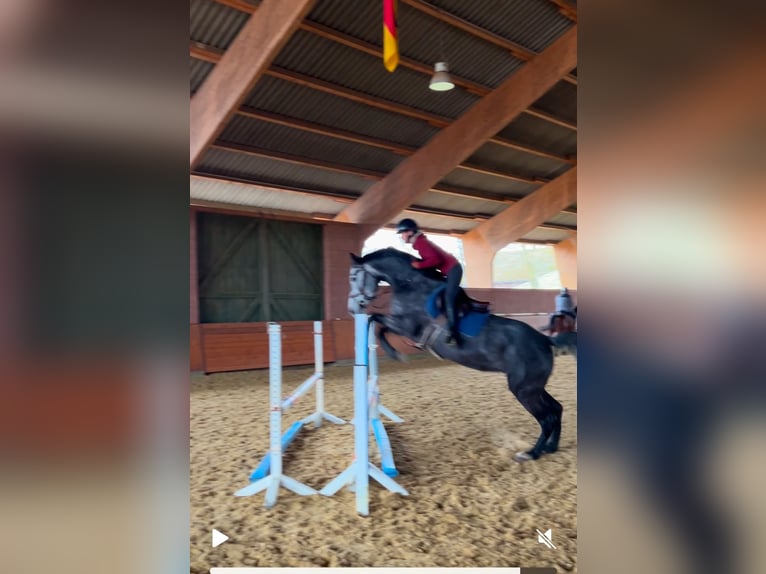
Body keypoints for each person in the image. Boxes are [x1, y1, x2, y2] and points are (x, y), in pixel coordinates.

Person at [396, 218, 464, 346]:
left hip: (453, 270)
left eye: (403, 233)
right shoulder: (419, 242)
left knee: (449, 298)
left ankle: (453, 333)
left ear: (410, 232)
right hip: (449, 270)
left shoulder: (421, 243)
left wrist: (419, 266)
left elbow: (435, 260)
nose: (402, 236)